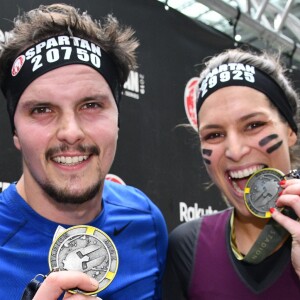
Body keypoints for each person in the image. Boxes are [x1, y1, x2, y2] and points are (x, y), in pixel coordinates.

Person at [0, 3, 168, 299]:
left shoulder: (146, 221)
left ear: (118, 119)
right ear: (15, 132)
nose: (71, 132)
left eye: (91, 105)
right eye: (42, 109)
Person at [163, 48, 300, 299]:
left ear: (290, 130)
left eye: (254, 125)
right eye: (214, 135)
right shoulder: (187, 246)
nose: (235, 151)